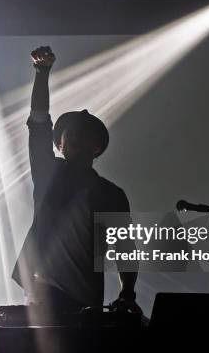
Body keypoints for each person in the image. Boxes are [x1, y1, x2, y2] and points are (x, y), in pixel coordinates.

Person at [12, 46, 141, 313]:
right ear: (60, 145)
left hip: (88, 300)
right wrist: (42, 72)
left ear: (96, 147)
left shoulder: (111, 195)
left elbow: (125, 249)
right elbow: (38, 122)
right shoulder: (50, 173)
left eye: (84, 137)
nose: (77, 141)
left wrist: (127, 293)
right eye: (71, 138)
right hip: (44, 292)